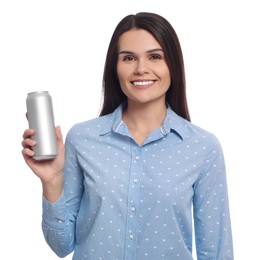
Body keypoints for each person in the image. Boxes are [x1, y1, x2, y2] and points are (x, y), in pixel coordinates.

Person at [21, 12, 234, 260]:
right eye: (129, 58)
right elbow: (62, 245)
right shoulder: (82, 139)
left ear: (172, 66)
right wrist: (52, 182)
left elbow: (217, 252)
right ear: (115, 68)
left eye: (155, 57)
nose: (141, 69)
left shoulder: (203, 147)